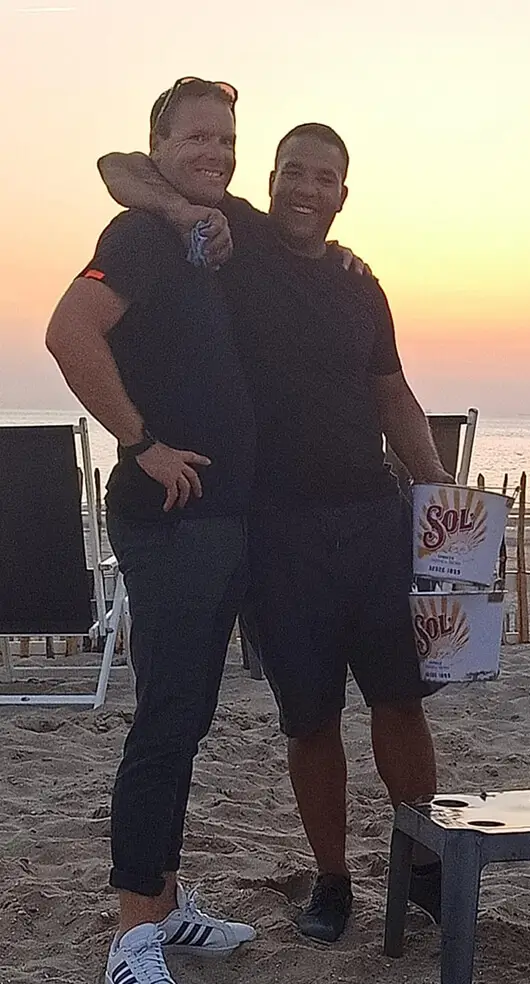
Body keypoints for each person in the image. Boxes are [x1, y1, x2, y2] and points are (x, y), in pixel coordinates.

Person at [98, 121, 452, 945]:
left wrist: (435, 482)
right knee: (310, 716)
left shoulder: (362, 284)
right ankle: (333, 879)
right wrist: (183, 212)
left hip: (373, 519)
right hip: (279, 529)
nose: (307, 189)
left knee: (400, 701)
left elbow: (392, 391)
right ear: (270, 180)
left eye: (324, 178)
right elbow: (119, 167)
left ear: (343, 195)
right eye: (294, 172)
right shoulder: (239, 241)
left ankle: (427, 867)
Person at [46, 79, 259, 984]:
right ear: (161, 146)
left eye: (228, 139)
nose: (217, 153)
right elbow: (69, 333)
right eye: (197, 137)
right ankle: (134, 933)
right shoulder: (141, 234)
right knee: (167, 719)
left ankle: (167, 906)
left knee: (189, 714)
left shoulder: (216, 230)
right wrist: (142, 445)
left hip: (221, 520)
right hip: (171, 521)